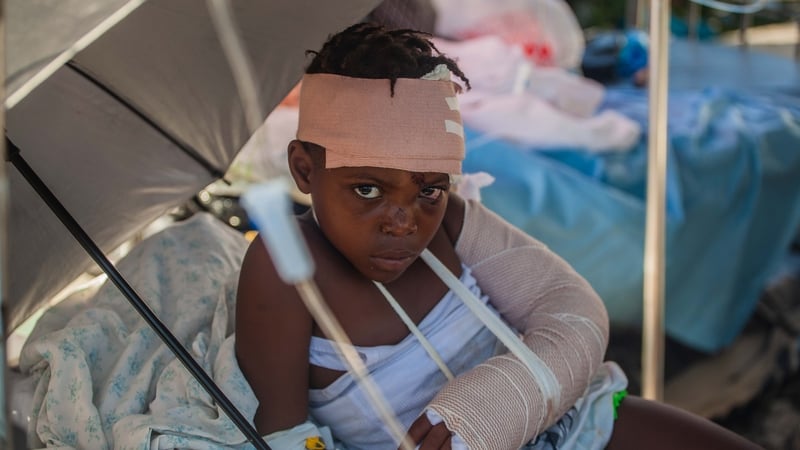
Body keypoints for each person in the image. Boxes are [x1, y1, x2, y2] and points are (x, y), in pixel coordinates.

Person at [234, 23, 761, 450]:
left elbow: (571, 309)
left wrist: (496, 406)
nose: (403, 221)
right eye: (367, 189)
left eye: (429, 190)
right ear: (304, 170)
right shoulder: (284, 267)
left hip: (573, 424)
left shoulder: (455, 222)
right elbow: (285, 435)